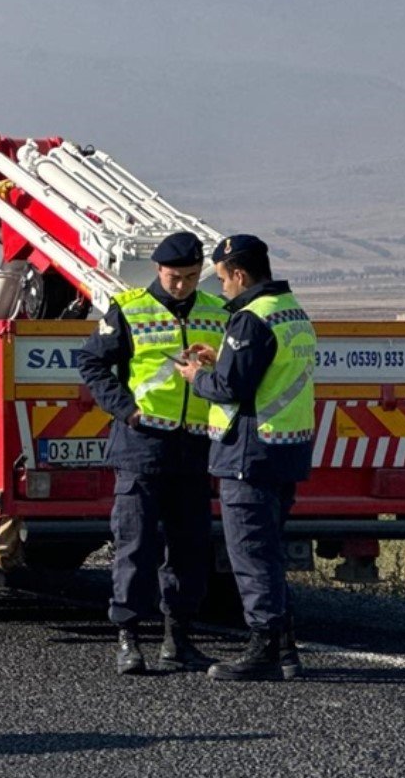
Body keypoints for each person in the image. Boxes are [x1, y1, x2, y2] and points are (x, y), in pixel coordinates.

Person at [74, 232, 227, 675]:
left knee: (190, 547)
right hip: (142, 444)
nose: (181, 285)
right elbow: (92, 362)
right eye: (174, 277)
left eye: (191, 277)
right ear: (158, 270)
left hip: (195, 445)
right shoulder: (130, 307)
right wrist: (126, 411)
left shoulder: (218, 313)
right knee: (135, 544)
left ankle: (177, 639)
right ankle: (128, 637)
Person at [177, 235, 316, 682]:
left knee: (251, 554)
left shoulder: (250, 320)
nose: (221, 290)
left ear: (238, 273)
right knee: (270, 553)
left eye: (222, 280)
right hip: (285, 450)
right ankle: (287, 650)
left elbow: (230, 389)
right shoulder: (292, 311)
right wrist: (223, 361)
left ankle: (263, 650)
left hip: (249, 453)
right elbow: (265, 373)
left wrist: (198, 376)